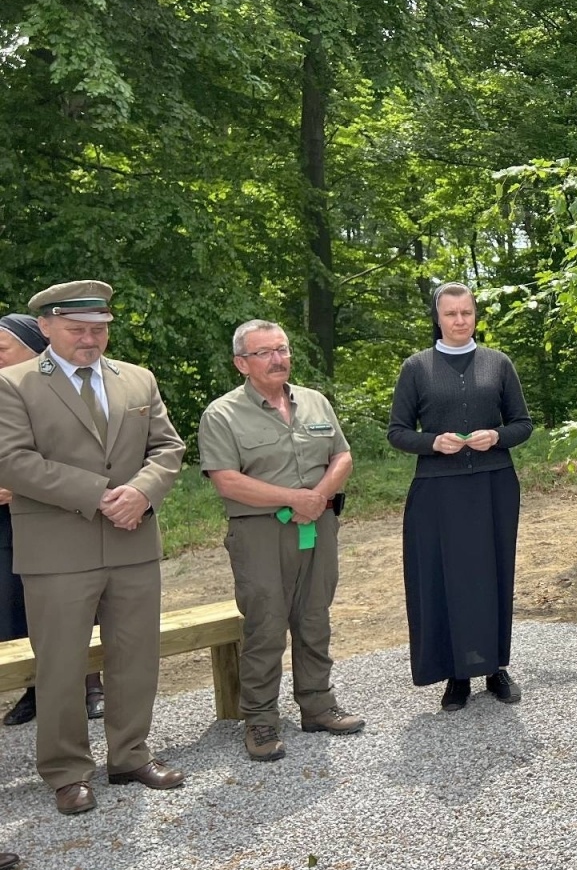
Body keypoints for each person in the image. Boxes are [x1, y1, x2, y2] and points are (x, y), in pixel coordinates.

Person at [0, 281, 186, 816]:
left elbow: (167, 447)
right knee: (60, 665)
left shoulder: (138, 378)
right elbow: (12, 460)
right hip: (56, 550)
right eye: (77, 329)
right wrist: (99, 495)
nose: (89, 339)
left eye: (98, 329)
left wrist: (143, 492)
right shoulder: (13, 384)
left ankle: (130, 755)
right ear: (46, 327)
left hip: (132, 540)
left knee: (136, 657)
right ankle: (66, 772)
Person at [197, 320, 364, 762]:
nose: (277, 359)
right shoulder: (222, 414)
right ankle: (260, 719)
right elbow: (227, 480)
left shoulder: (314, 402)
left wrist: (317, 497)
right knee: (266, 622)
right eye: (264, 352)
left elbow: (342, 456)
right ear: (241, 363)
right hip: (260, 532)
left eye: (282, 349)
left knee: (315, 616)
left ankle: (318, 704)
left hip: (318, 525)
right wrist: (294, 499)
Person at [387, 283, 533, 711]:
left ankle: (495, 667)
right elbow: (397, 432)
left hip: (494, 485)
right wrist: (433, 442)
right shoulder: (417, 367)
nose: (459, 321)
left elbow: (523, 424)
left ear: (475, 315)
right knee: (445, 577)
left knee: (494, 575)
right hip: (438, 489)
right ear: (437, 318)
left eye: (466, 312)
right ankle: (456, 674)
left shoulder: (498, 363)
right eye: (450, 314)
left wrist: (497, 436)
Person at [0, 312, 106, 727]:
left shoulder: (67, 390)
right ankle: (36, 689)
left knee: (75, 603)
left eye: (2, 349)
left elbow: (81, 458)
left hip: (61, 518)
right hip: (7, 526)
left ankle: (91, 684)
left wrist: (23, 486)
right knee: (17, 606)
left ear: (34, 349)